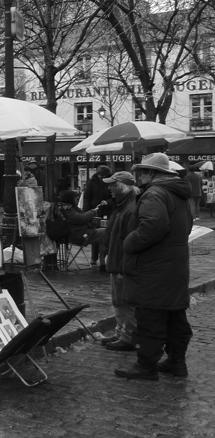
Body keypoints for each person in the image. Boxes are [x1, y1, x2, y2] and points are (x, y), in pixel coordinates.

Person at [115, 153, 193, 380]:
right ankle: (176, 362)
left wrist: (129, 242)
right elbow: (186, 225)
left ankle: (145, 366)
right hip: (174, 265)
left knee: (150, 318)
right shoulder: (177, 194)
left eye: (141, 172)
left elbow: (153, 226)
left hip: (154, 268)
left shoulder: (154, 194)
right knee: (174, 317)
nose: (138, 177)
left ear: (151, 174)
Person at [99, 171, 139, 352]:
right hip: (116, 260)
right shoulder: (123, 205)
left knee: (125, 302)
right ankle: (120, 332)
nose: (109, 188)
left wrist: (123, 267)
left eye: (113, 185)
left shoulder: (130, 208)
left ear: (122, 186)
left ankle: (128, 336)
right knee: (118, 300)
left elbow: (129, 241)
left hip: (122, 263)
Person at [55, 189, 107, 270]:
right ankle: (103, 262)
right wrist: (92, 212)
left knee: (103, 234)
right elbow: (80, 218)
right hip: (78, 235)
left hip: (81, 232)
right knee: (105, 233)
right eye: (75, 198)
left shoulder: (69, 208)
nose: (77, 200)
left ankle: (101, 261)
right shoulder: (67, 209)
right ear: (70, 199)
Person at [84, 165, 113, 268]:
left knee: (105, 234)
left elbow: (114, 197)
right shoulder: (92, 181)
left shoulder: (110, 181)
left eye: (103, 175)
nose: (101, 176)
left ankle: (103, 258)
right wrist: (87, 212)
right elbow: (87, 196)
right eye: (99, 174)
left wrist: (108, 202)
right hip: (95, 210)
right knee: (95, 233)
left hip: (108, 210)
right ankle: (94, 257)